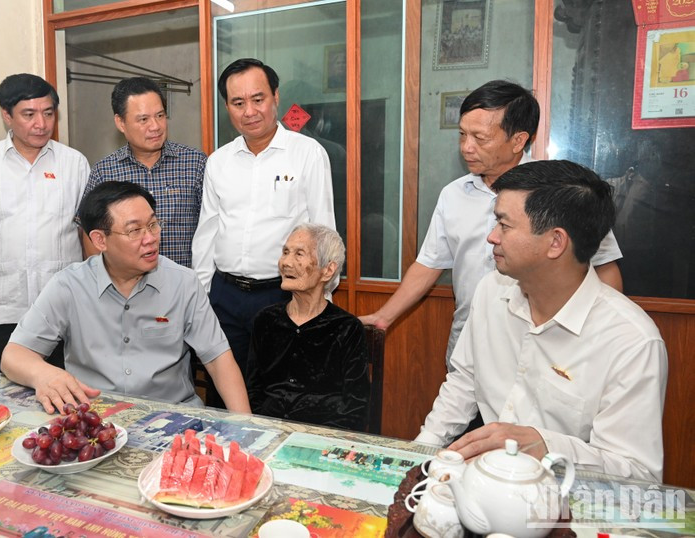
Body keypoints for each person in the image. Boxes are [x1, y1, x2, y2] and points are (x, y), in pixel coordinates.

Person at [416, 160, 667, 482]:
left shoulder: (631, 342)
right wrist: (421, 455)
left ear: (555, 242)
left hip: (567, 506)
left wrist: (545, 445)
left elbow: (637, 473)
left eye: (504, 225)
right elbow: (464, 383)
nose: (492, 237)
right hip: (486, 485)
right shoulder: (491, 292)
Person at [360, 80, 623, 370]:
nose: (466, 147)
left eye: (480, 138)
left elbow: (605, 268)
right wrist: (384, 317)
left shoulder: (562, 193)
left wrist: (604, 337)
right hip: (469, 347)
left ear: (518, 140)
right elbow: (428, 265)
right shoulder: (454, 194)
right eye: (462, 135)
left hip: (543, 350)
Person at [0, 181, 250, 416]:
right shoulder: (68, 286)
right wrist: (43, 374)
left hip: (172, 417)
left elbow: (219, 361)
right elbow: (13, 356)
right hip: (95, 419)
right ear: (100, 240)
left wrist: (247, 428)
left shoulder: (184, 283)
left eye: (153, 225)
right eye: (134, 231)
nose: (150, 238)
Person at [192, 58, 336, 384]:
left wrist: (321, 302)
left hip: (283, 295)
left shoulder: (307, 153)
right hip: (225, 297)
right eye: (238, 103)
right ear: (227, 107)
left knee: (281, 394)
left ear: (276, 97)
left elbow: (323, 231)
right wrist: (202, 302)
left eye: (258, 99)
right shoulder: (218, 162)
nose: (250, 111)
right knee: (225, 394)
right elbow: (207, 233)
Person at [0, 73, 89, 372]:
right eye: (29, 114)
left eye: (48, 113)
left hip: (63, 310)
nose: (41, 123)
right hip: (2, 310)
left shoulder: (74, 163)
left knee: (67, 403)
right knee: (4, 398)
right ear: (7, 115)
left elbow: (88, 233)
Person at [246, 223, 370, 431]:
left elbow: (355, 406)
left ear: (328, 270)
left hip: (323, 440)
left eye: (299, 254)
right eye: (285, 252)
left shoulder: (346, 329)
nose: (286, 262)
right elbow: (252, 391)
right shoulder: (266, 321)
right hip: (267, 431)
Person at [81, 77, 206, 268]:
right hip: (126, 292)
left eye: (160, 116)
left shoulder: (195, 163)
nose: (155, 126)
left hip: (183, 287)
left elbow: (211, 229)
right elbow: (91, 236)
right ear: (120, 122)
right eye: (143, 119)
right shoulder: (104, 172)